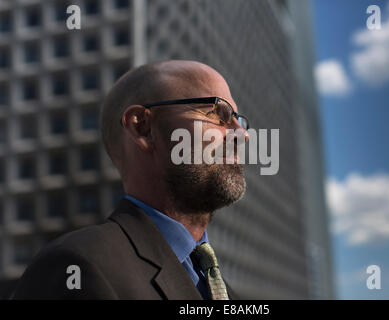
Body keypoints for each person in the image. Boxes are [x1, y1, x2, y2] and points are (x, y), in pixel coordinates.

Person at [10, 60, 250, 299]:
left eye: (239, 119)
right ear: (143, 128)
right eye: (221, 113)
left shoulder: (230, 296)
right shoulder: (75, 266)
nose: (242, 133)